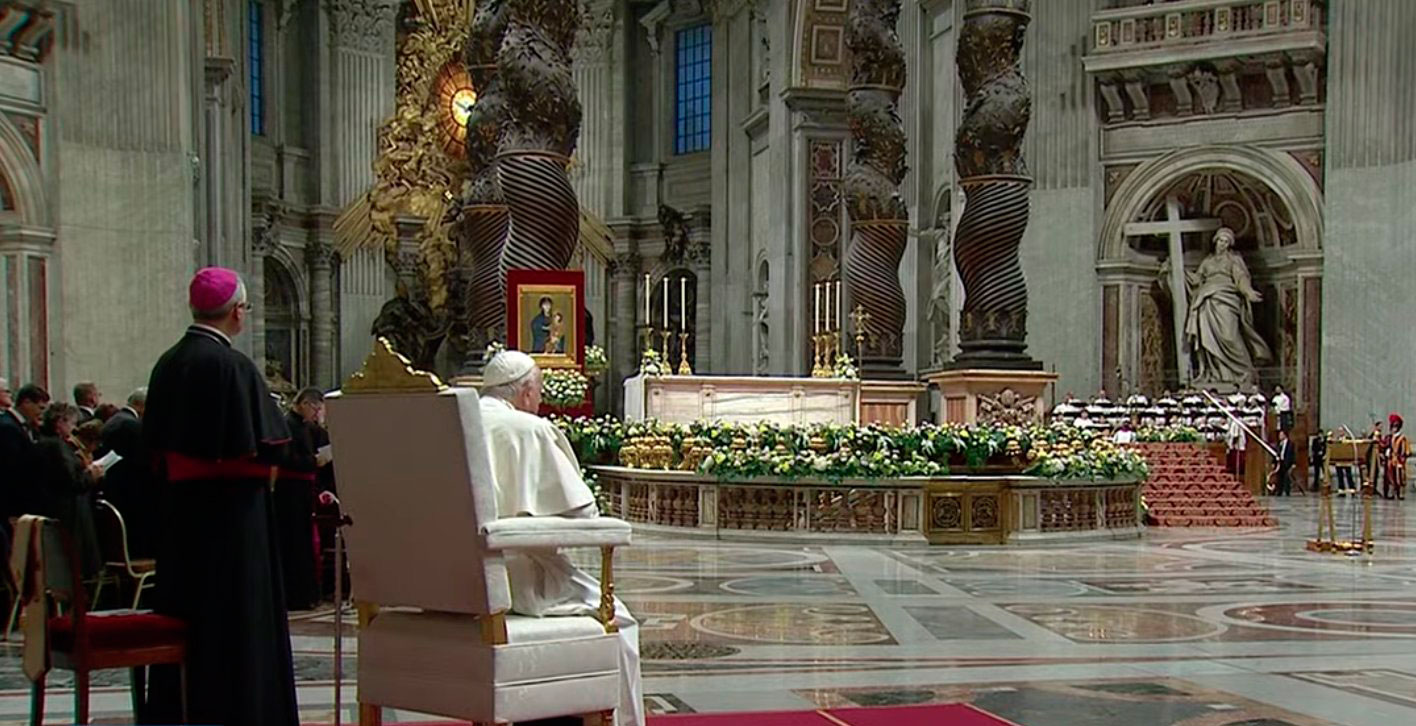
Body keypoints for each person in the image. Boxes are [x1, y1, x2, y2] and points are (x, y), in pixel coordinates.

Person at [142, 267, 297, 725]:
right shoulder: (233, 366)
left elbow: (156, 449)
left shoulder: (167, 363)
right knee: (237, 626)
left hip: (181, 522)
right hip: (234, 522)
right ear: (237, 313)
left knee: (189, 620)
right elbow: (273, 447)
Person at [478, 351, 644, 726]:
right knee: (619, 622)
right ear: (524, 392)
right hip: (521, 586)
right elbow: (583, 515)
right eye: (538, 392)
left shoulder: (455, 423)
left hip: (456, 586)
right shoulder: (528, 429)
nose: (539, 401)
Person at [1162, 227, 1272, 387]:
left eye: (1226, 242)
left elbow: (1241, 278)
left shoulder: (1233, 260)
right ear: (1215, 241)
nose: (1222, 244)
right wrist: (1177, 271)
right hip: (1206, 301)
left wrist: (1248, 292)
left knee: (1229, 336)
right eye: (1220, 240)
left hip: (1226, 299)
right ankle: (1214, 373)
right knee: (1207, 339)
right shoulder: (1208, 261)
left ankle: (1243, 371)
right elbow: (1196, 280)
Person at [32, 403, 103, 578]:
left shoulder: (44, 442)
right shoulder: (56, 446)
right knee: (72, 562)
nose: (74, 428)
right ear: (60, 422)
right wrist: (91, 475)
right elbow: (72, 481)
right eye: (71, 423)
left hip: (58, 508)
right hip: (69, 512)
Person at [275, 387, 328, 611]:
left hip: (303, 490)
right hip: (290, 492)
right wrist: (314, 462)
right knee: (294, 544)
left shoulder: (306, 427)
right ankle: (295, 597)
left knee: (306, 543)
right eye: (315, 409)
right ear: (305, 404)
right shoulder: (287, 424)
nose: (316, 414)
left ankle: (308, 595)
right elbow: (286, 459)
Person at [99, 388, 156, 559]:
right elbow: (142, 460)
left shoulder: (114, 420)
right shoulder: (132, 426)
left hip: (114, 487)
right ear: (142, 405)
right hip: (133, 492)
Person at [1386, 413, 1408, 501]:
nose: (1393, 429)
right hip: (1391, 459)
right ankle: (1392, 492)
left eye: (1395, 427)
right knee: (1391, 477)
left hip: (1398, 460)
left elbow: (1404, 450)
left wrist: (1401, 460)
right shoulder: (1390, 437)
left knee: (1400, 477)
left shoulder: (1402, 438)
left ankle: (1401, 493)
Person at [1271, 428, 1295, 496]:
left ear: (1285, 435)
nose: (1279, 436)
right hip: (1280, 462)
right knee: (1279, 477)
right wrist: (1273, 462)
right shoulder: (1279, 444)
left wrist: (1293, 463)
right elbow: (1276, 453)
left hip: (1287, 462)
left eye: (1281, 435)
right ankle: (1279, 491)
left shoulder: (1290, 444)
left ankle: (1287, 491)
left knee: (1286, 477)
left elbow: (1292, 454)